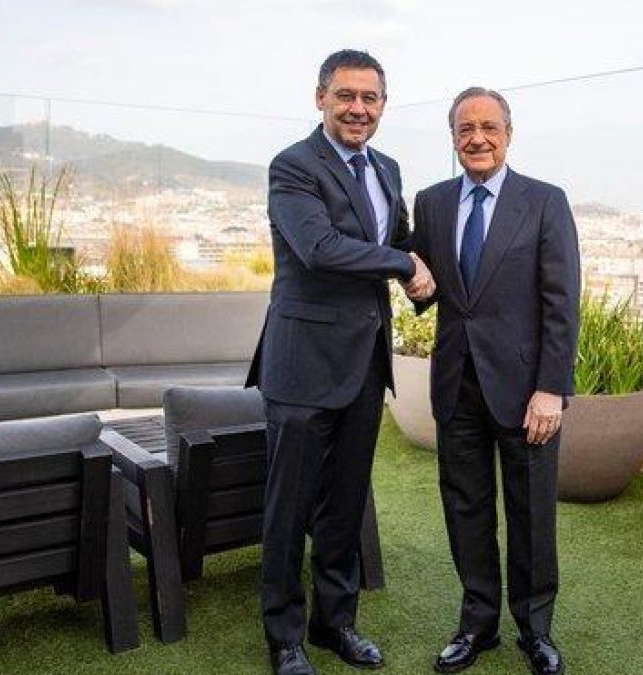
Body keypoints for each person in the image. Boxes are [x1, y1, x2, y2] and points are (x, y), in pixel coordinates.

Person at [247, 49, 435, 675]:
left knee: (344, 505)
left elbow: (395, 240)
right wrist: (404, 266)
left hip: (362, 365)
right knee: (288, 508)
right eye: (346, 96)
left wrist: (426, 272)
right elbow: (320, 249)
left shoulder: (386, 168)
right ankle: (284, 637)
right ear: (320, 97)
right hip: (302, 367)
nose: (358, 109)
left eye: (370, 98)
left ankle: (336, 625)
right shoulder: (293, 166)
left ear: (384, 104)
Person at [409, 87, 580, 675]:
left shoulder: (545, 202)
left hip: (528, 392)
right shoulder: (430, 203)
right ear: (452, 137)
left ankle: (536, 632)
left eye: (488, 127)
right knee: (466, 509)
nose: (476, 138)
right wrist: (411, 278)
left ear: (509, 133)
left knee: (532, 514)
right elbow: (423, 278)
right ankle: (477, 625)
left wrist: (552, 388)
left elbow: (562, 302)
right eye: (464, 129)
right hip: (456, 384)